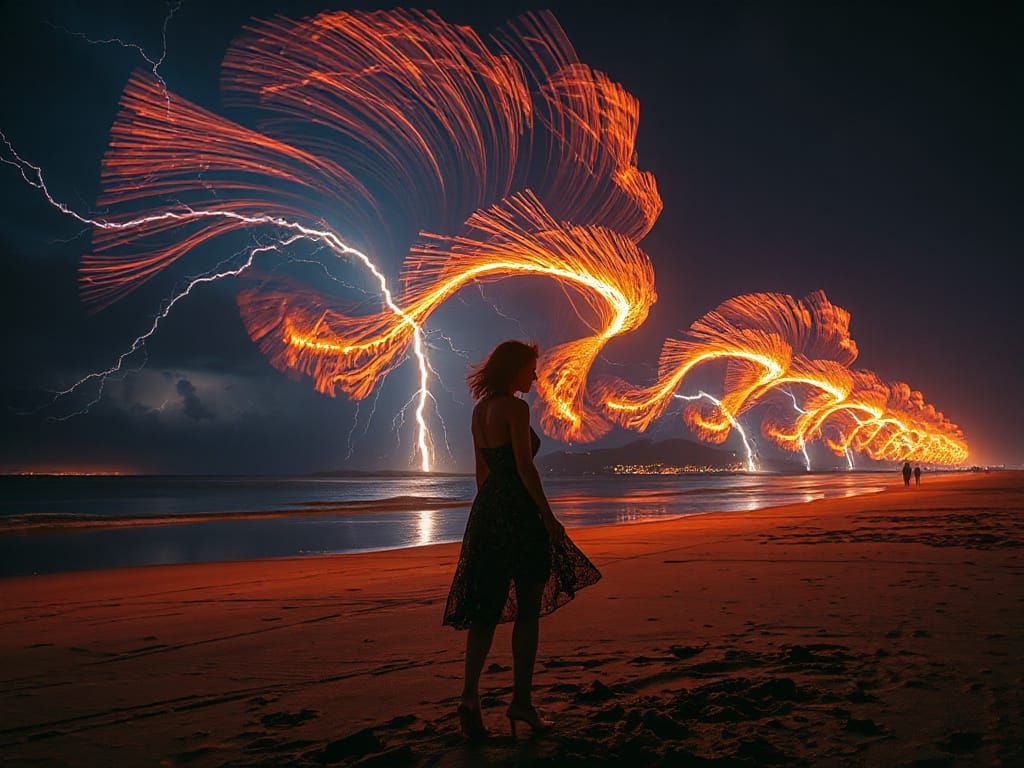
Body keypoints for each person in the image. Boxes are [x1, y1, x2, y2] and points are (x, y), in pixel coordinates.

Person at [443, 340, 602, 740]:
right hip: (518, 511)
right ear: (513, 369)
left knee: (486, 610)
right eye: (530, 369)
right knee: (528, 609)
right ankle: (521, 703)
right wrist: (548, 518)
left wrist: (485, 516)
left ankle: (469, 697)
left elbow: (481, 472)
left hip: (487, 512)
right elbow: (525, 468)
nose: (535, 376)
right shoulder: (516, 409)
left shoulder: (480, 412)